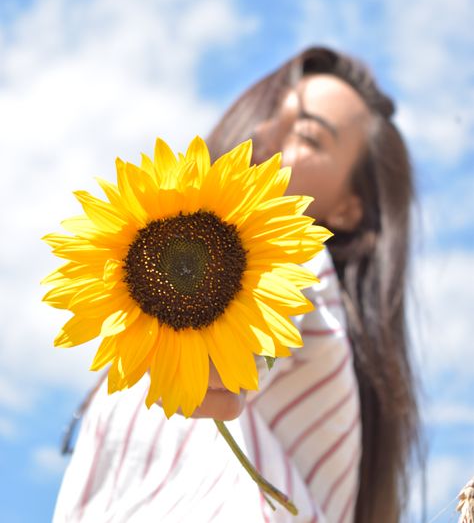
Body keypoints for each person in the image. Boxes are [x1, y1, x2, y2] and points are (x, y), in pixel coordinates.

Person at [53, 46, 422, 523]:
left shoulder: (300, 267)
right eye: (272, 116)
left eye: (307, 135)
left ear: (350, 207)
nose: (265, 134)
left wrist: (232, 369)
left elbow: (280, 317)